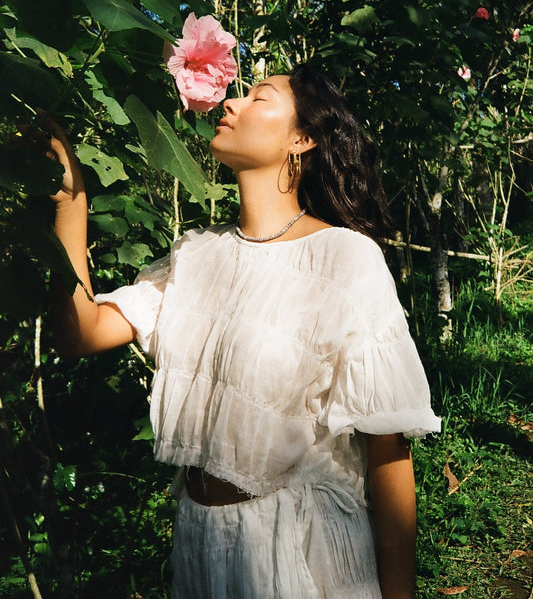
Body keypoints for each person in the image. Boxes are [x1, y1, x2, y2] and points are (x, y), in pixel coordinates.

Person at [47, 64, 441, 599]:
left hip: (302, 549)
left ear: (301, 140)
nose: (231, 103)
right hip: (200, 542)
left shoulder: (344, 258)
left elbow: (387, 449)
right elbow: (82, 333)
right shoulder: (197, 254)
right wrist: (72, 202)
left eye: (260, 98)